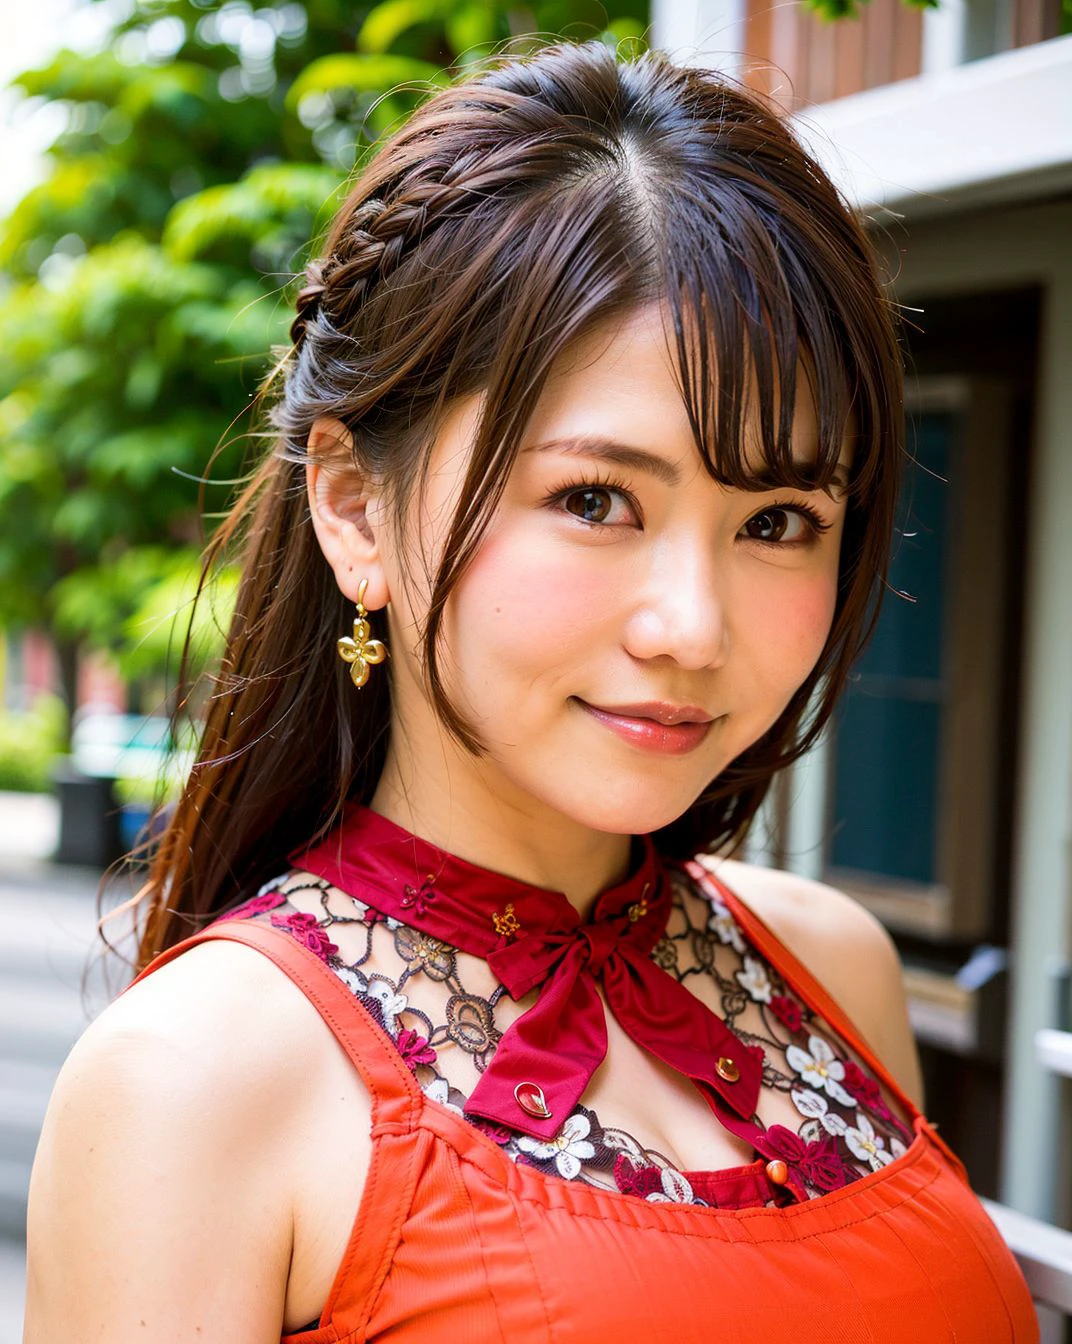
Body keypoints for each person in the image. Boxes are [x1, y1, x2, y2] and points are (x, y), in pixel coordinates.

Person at [24, 37, 1037, 1342]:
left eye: (779, 518)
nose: (692, 626)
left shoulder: (833, 966)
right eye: (596, 500)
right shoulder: (202, 1081)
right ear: (353, 509)